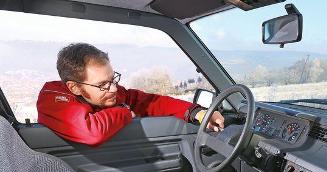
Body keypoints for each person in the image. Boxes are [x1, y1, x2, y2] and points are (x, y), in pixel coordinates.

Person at [37, 43, 224, 146]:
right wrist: (126, 112)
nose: (112, 89)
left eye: (113, 79)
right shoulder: (53, 98)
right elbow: (90, 132)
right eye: (102, 84)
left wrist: (197, 113)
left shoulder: (110, 92)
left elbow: (149, 102)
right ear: (74, 88)